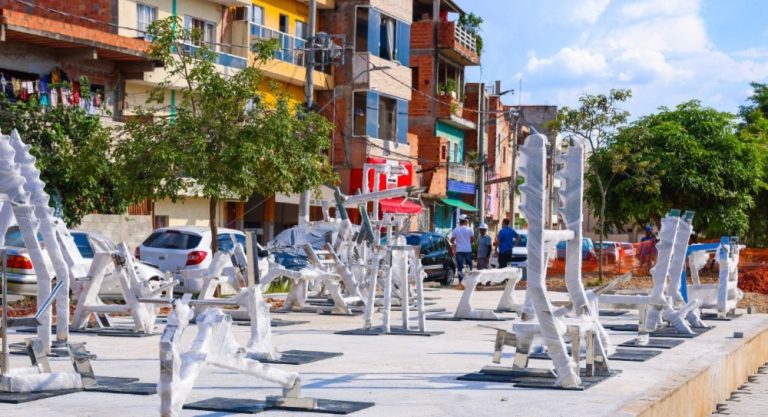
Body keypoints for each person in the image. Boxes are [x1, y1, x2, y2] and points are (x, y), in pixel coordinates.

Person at [450, 215, 475, 283]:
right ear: (465, 221)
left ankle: (461, 281)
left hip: (459, 250)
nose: (468, 222)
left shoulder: (456, 230)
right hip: (468, 250)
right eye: (467, 220)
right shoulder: (470, 229)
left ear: (460, 221)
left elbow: (451, 240)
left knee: (460, 267)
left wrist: (456, 244)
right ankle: (469, 280)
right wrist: (468, 243)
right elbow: (473, 239)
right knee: (468, 266)